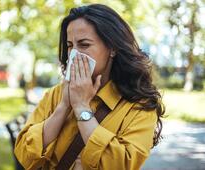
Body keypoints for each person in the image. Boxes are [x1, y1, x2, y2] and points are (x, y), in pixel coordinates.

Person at [14, 4, 165, 170]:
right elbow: (23, 155)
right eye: (70, 45)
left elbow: (121, 164)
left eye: (84, 45)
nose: (73, 54)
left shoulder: (139, 106)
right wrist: (64, 106)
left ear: (112, 48)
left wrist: (81, 107)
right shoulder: (56, 94)